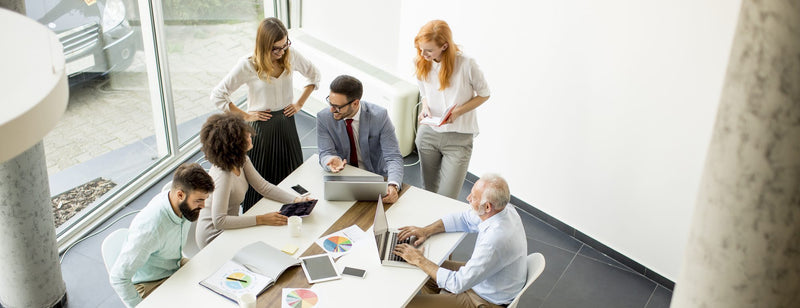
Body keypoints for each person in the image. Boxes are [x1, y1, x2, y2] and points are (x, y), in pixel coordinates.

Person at [210, 17, 320, 212]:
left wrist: (300, 103)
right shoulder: (248, 65)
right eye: (275, 48)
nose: (281, 52)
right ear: (264, 45)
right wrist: (246, 116)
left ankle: (296, 211)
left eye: (284, 45)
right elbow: (218, 95)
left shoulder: (290, 55)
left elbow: (314, 74)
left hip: (286, 122)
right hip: (261, 128)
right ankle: (257, 216)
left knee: (293, 173)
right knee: (259, 179)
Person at [393, 174, 527, 308]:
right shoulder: (504, 210)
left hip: (485, 299)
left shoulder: (495, 240)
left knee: (407, 304)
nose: (468, 198)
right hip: (485, 281)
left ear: (487, 207)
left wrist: (419, 260)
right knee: (426, 270)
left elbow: (457, 284)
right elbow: (464, 219)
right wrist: (426, 231)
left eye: (473, 197)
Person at [195, 113, 311, 249]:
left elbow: (263, 187)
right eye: (245, 136)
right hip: (215, 237)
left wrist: (296, 200)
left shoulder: (242, 159)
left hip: (230, 226)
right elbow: (219, 221)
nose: (250, 136)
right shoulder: (223, 175)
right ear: (233, 144)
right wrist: (261, 219)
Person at [109, 163, 215, 308]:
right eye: (199, 201)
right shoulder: (151, 228)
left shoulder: (183, 207)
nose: (203, 206)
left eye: (204, 199)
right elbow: (118, 278)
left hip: (173, 265)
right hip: (149, 283)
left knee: (213, 286)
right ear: (180, 195)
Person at [414, 20, 490, 200]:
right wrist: (425, 107)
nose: (423, 54)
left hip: (458, 139)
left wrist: (457, 112)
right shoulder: (420, 61)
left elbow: (484, 94)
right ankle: (425, 227)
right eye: (420, 49)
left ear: (444, 46)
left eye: (429, 50)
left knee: (447, 198)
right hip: (429, 134)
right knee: (428, 191)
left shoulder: (466, 64)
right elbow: (424, 90)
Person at [316, 75, 404, 203]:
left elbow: (393, 156)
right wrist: (330, 160)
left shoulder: (380, 116)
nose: (331, 109)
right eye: (330, 103)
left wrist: (393, 185)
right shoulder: (324, 117)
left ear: (355, 103)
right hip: (344, 177)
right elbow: (325, 153)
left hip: (375, 177)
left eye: (337, 106)